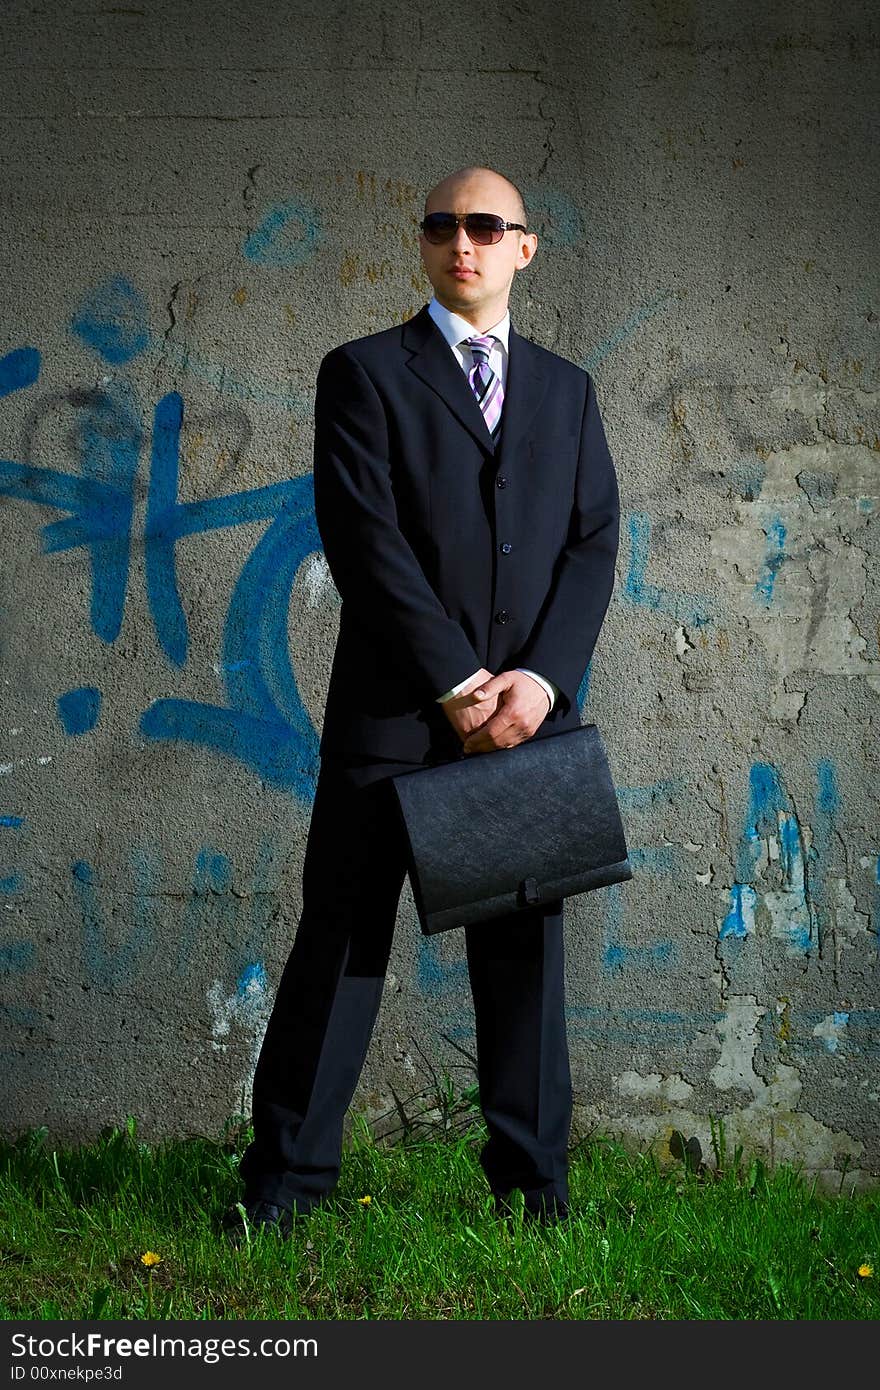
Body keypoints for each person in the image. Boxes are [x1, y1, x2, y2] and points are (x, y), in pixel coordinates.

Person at [229, 165, 620, 1238]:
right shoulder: (361, 374)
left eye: (486, 226)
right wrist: (457, 683)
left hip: (523, 730)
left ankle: (536, 1199)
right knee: (343, 947)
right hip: (393, 720)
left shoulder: (568, 391)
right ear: (424, 243)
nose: (464, 242)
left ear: (523, 247)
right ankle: (283, 1191)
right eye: (444, 225)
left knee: (519, 960)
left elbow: (591, 543)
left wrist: (535, 681)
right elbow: (367, 540)